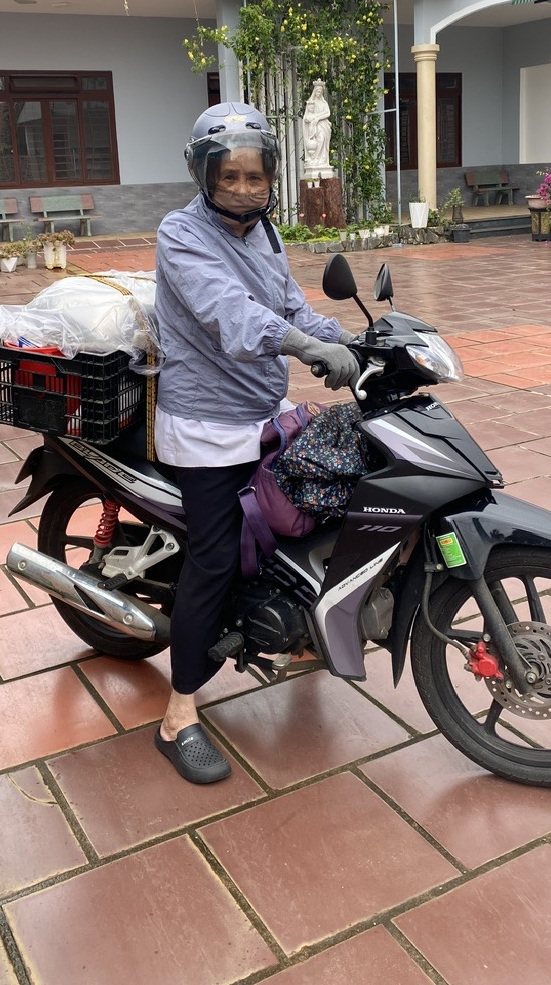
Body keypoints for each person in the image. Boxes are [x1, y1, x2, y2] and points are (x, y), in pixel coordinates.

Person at [153, 101, 359, 783]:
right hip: (207, 426)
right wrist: (305, 348)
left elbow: (288, 304)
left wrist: (353, 339)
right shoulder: (180, 233)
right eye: (230, 176)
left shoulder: (264, 232)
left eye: (255, 175)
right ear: (204, 174)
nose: (244, 188)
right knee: (214, 559)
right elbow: (232, 315)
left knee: (310, 511)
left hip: (262, 411)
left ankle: (295, 634)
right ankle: (178, 715)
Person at [301, 77, 334, 177]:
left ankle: (322, 160)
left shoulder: (324, 103)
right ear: (315, 92)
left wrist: (318, 117)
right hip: (315, 126)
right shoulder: (311, 103)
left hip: (324, 125)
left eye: (320, 92)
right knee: (319, 140)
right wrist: (311, 119)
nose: (319, 93)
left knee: (323, 140)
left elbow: (328, 113)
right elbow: (306, 116)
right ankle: (315, 159)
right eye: (317, 91)